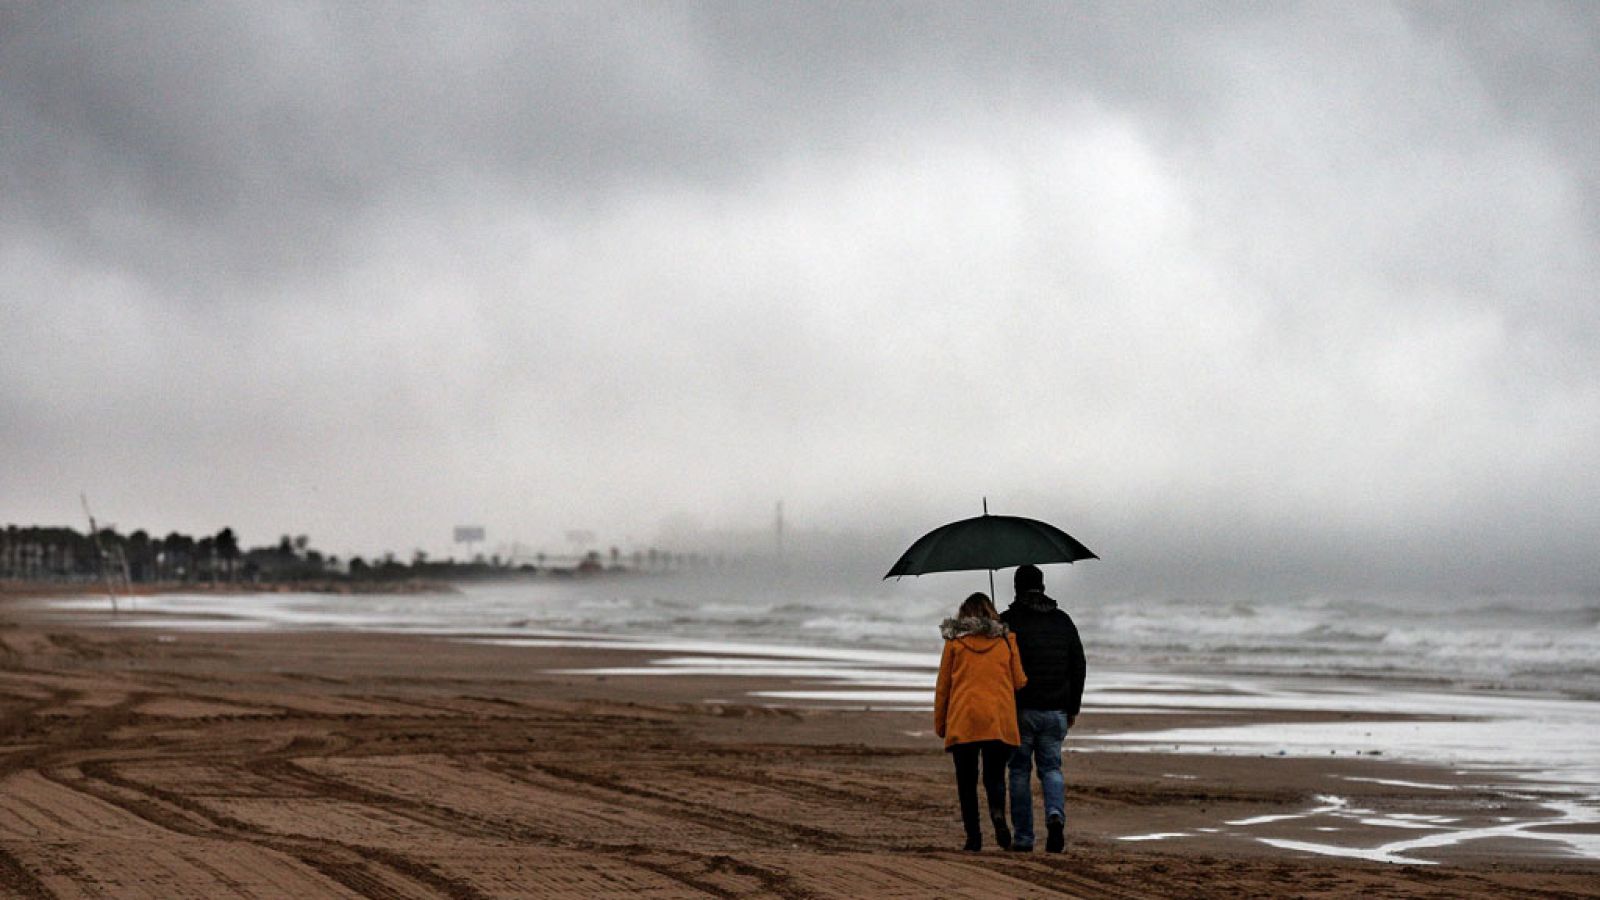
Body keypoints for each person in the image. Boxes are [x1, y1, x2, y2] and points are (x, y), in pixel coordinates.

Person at [1001, 563, 1086, 853]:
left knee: (1019, 771)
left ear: (1016, 588)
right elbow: (1078, 665)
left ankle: (1024, 838)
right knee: (1051, 768)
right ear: (1043, 586)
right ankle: (1054, 816)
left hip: (1020, 710)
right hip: (1056, 709)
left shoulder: (1008, 622)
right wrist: (1073, 706)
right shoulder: (1063, 621)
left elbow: (998, 668)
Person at [933, 591, 1028, 852]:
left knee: (967, 782)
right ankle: (998, 815)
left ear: (964, 615)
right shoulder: (1007, 641)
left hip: (964, 719)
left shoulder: (954, 643)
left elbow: (943, 687)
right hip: (997, 719)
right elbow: (1019, 681)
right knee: (995, 778)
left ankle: (973, 837)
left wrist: (941, 724)